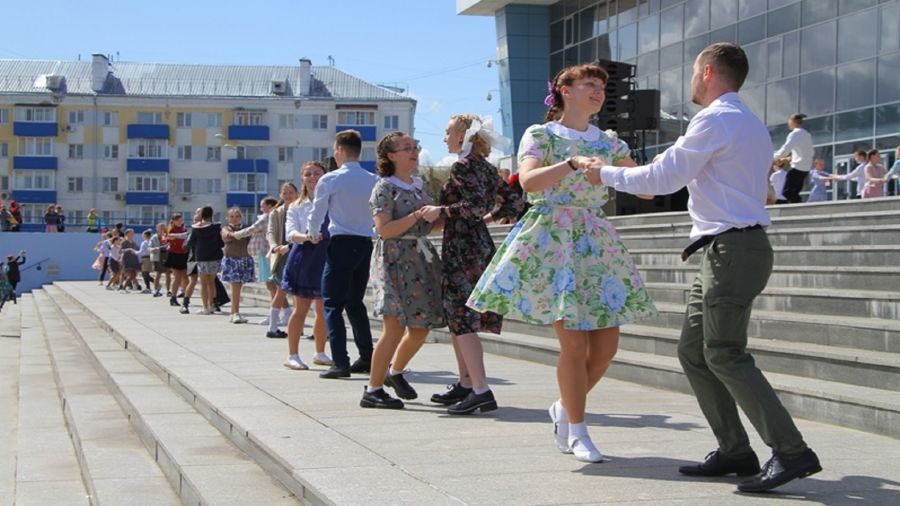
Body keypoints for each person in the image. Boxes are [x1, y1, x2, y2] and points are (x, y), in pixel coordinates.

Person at [596, 42, 821, 492]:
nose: (691, 80)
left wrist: (601, 171)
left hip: (732, 250)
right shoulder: (749, 123)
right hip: (729, 248)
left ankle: (792, 451)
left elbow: (662, 178)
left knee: (723, 353)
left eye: (695, 71)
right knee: (695, 351)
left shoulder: (715, 119)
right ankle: (736, 449)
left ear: (709, 73)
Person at [470, 67, 659, 458]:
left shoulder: (609, 142)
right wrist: (572, 164)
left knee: (606, 347)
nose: (598, 92)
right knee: (573, 343)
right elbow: (528, 182)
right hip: (553, 237)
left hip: (596, 239)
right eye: (589, 85)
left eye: (602, 87)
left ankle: (563, 407)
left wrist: (648, 171)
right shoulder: (541, 135)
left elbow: (644, 191)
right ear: (564, 91)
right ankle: (577, 430)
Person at [413, 114, 519, 416]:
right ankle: (466, 382)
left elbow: (472, 207)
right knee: (461, 316)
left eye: (448, 132)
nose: (444, 137)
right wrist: (486, 220)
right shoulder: (486, 167)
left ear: (463, 135)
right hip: (476, 244)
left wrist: (440, 210)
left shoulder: (463, 165)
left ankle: (481, 389)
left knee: (461, 317)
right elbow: (512, 203)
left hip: (463, 247)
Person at [362, 132, 445, 409]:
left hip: (420, 258)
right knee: (394, 326)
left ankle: (394, 373)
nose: (413, 151)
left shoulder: (419, 186)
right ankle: (372, 390)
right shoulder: (385, 188)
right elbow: (384, 230)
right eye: (406, 148)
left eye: (415, 147)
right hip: (394, 260)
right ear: (390, 156)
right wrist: (418, 215)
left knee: (421, 327)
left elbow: (429, 225)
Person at [307, 130, 377, 379]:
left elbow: (318, 211)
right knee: (355, 303)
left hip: (341, 243)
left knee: (332, 304)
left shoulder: (330, 179)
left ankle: (340, 361)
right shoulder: (373, 179)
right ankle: (368, 357)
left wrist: (313, 232)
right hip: (365, 243)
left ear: (339, 151)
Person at [282, 162, 333, 370]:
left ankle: (320, 352)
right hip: (304, 255)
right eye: (308, 174)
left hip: (327, 255)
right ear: (302, 178)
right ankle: (292, 354)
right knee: (300, 309)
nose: (313, 177)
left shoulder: (332, 200)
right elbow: (290, 233)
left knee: (323, 310)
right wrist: (307, 237)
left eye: (317, 173)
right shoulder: (296, 205)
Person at [230, 197, 279, 327]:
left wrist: (236, 234)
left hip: (265, 252)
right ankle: (275, 313)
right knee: (271, 285)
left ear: (269, 206)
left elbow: (252, 229)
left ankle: (277, 313)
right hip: (266, 252)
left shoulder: (266, 218)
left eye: (263, 206)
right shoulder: (273, 216)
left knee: (271, 284)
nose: (261, 208)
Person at [186, 206, 224, 315]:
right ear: (211, 214)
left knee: (203, 284)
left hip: (201, 257)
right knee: (211, 282)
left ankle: (205, 307)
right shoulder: (217, 227)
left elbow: (190, 243)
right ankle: (212, 305)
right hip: (215, 256)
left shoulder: (196, 227)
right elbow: (221, 243)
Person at [221, 207, 255, 323]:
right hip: (232, 260)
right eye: (231, 217)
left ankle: (234, 312)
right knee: (235, 286)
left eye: (237, 216)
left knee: (239, 287)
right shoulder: (226, 228)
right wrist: (238, 234)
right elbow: (227, 236)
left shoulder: (246, 228)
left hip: (245, 259)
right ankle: (235, 312)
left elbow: (252, 235)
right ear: (227, 218)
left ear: (241, 217)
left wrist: (243, 233)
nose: (234, 219)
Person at [773, 113, 813, 203]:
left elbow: (785, 150)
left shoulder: (795, 134)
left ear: (793, 121)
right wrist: (787, 159)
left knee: (787, 191)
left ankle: (801, 208)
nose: (788, 124)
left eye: (789, 121)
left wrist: (773, 157)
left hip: (797, 167)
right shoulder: (807, 134)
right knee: (795, 192)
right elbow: (809, 152)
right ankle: (798, 209)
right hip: (806, 168)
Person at [164, 214, 189, 306]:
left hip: (184, 254)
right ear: (173, 221)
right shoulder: (171, 229)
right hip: (174, 254)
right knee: (177, 277)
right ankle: (173, 297)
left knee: (185, 277)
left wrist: (179, 236)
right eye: (178, 220)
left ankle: (186, 296)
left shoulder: (184, 229)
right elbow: (167, 237)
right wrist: (176, 236)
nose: (180, 222)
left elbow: (186, 236)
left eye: (181, 220)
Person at [149, 223, 169, 297]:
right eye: (160, 228)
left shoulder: (168, 236)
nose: (162, 229)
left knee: (168, 274)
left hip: (166, 256)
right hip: (157, 256)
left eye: (163, 228)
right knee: (158, 273)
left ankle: (168, 290)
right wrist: (154, 249)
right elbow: (150, 247)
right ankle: (156, 290)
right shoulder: (154, 237)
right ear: (157, 229)